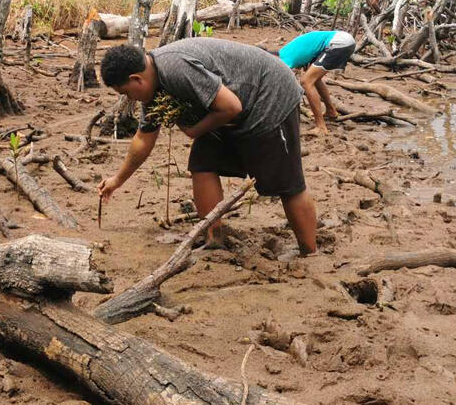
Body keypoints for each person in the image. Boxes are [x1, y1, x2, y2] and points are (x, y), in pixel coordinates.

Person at [97, 38, 317, 256]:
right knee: (203, 164)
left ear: (137, 79)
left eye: (126, 93)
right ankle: (213, 240)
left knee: (287, 182)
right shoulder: (154, 88)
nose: (129, 98)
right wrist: (117, 181)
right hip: (230, 108)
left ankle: (309, 252)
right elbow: (143, 140)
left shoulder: (175, 69)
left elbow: (231, 106)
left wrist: (194, 131)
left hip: (270, 94)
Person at [276, 30, 355, 134]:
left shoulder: (282, 60)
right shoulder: (286, 51)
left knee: (306, 81)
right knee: (314, 80)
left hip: (338, 43)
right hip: (345, 40)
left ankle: (321, 127)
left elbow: (280, 85)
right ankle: (331, 111)